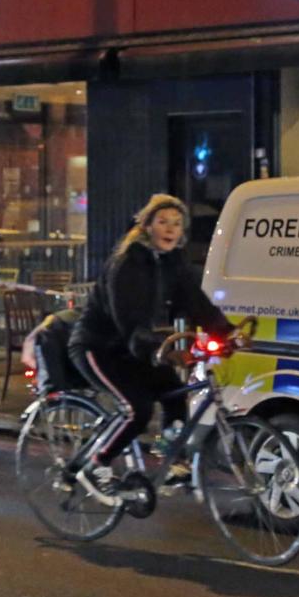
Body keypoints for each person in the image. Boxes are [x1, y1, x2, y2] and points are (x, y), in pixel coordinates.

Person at [68, 194, 235, 494]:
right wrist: (166, 351)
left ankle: (171, 462)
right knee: (138, 409)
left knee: (173, 394)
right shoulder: (128, 263)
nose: (170, 229)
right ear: (147, 226)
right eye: (162, 222)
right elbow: (130, 321)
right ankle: (97, 464)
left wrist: (227, 332)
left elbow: (196, 302)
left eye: (176, 223)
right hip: (100, 346)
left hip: (137, 347)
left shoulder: (172, 263)